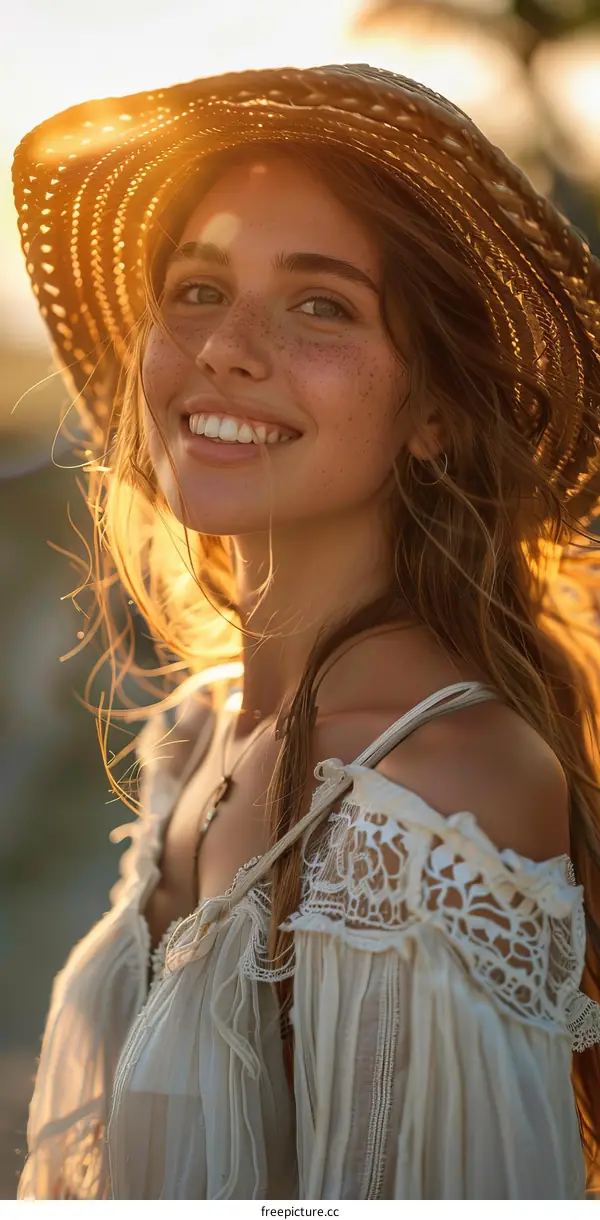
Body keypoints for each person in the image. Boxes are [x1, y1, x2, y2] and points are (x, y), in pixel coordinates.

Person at [12, 63, 600, 1200]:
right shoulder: (205, 726)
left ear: (434, 409)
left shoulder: (435, 795)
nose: (226, 347)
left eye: (320, 303)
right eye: (195, 289)